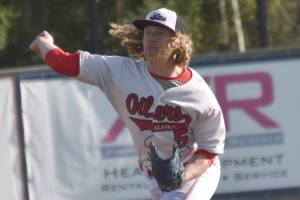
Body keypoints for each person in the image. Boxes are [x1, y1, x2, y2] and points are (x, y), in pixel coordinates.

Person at [30, 8, 226, 200]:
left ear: (178, 41)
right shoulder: (119, 72)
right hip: (154, 177)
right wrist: (45, 43)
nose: (151, 38)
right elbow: (64, 63)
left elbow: (208, 152)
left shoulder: (198, 93)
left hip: (193, 173)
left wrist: (182, 175)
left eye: (159, 33)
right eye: (148, 32)